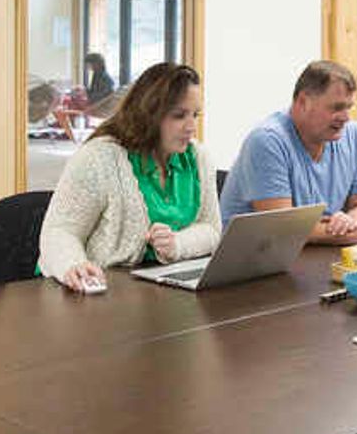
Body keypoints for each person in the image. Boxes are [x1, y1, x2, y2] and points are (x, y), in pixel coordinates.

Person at [38, 63, 220, 292]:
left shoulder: (198, 157)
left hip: (158, 291)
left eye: (195, 115)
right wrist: (73, 265)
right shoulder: (99, 157)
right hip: (93, 292)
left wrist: (177, 244)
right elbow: (59, 231)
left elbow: (212, 229)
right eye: (179, 115)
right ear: (149, 113)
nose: (192, 126)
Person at [219, 60, 357, 245]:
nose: (345, 118)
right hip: (255, 260)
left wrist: (349, 221)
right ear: (303, 102)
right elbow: (281, 228)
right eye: (337, 108)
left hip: (313, 252)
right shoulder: (267, 141)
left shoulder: (354, 135)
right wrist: (356, 233)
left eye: (348, 107)